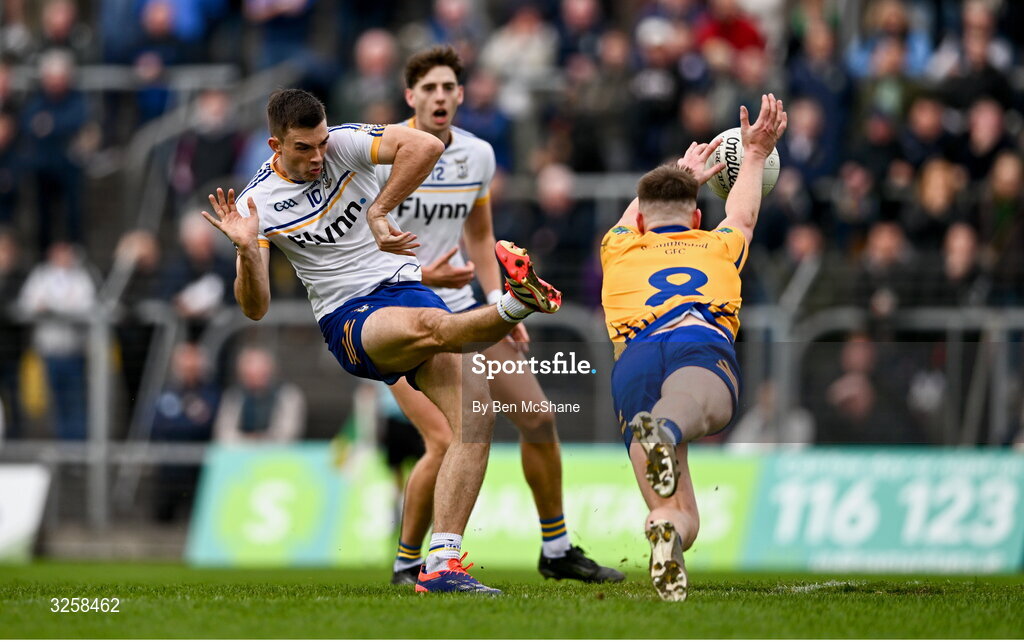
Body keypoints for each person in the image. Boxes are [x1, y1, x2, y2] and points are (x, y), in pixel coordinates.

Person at [201, 88, 561, 594]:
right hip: (349, 316)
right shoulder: (257, 203)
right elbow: (254, 308)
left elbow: (427, 148)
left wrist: (380, 210)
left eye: (322, 143)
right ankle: (518, 303)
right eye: (304, 148)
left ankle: (440, 565)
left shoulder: (345, 144)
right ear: (275, 144)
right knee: (432, 331)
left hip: (405, 287)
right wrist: (244, 252)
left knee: (475, 415)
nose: (318, 156)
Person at [375, 46, 623, 586]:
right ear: (410, 96)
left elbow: (480, 236)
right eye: (429, 88)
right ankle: (410, 562)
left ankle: (556, 550)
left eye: (448, 88)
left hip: (464, 307)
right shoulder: (381, 152)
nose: (440, 96)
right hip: (396, 310)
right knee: (446, 440)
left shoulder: (478, 155)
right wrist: (421, 278)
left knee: (538, 417)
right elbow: (360, 247)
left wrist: (500, 303)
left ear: (460, 95)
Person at [600, 94, 787, 601]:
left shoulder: (618, 246)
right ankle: (665, 429)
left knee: (680, 515)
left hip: (634, 360)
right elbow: (743, 215)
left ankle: (666, 540)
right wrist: (753, 155)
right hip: (694, 340)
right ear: (698, 218)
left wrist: (681, 172)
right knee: (710, 407)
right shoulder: (717, 244)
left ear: (639, 220)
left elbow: (638, 208)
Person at [213, 346, 305, 444]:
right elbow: (223, 433)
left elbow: (288, 434)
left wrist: (260, 441)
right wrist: (249, 441)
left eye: (261, 373)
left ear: (271, 371)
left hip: (278, 455)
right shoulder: (233, 396)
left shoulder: (289, 395)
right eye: (249, 375)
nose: (255, 378)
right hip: (239, 455)